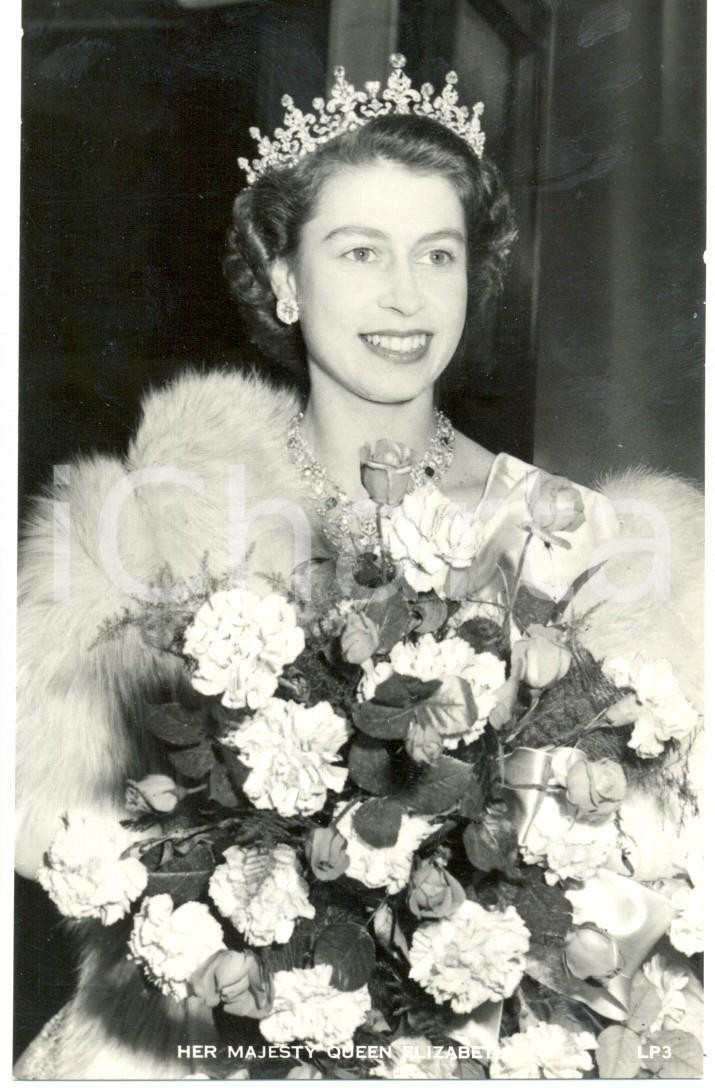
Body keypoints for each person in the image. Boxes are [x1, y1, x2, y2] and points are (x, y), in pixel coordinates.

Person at [15, 55, 702, 1078]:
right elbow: (59, 831)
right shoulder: (159, 520)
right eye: (358, 251)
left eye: (437, 254)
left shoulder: (576, 536)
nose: (404, 297)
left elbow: (647, 887)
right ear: (285, 279)